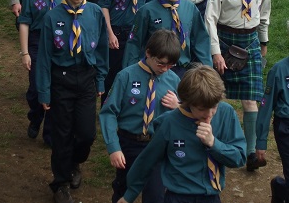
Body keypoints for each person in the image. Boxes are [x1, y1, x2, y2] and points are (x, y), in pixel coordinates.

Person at [116, 64, 246, 203]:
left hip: (211, 197)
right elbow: (148, 160)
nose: (209, 115)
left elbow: (239, 157)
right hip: (178, 196)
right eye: (202, 109)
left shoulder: (226, 113)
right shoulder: (169, 122)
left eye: (214, 107)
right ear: (188, 102)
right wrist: (129, 196)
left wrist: (213, 143)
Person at [36, 0, 109, 203]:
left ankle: (75, 162)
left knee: (87, 134)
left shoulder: (95, 13)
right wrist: (44, 91)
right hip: (62, 80)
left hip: (86, 78)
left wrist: (100, 79)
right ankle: (61, 183)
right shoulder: (52, 17)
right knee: (62, 134)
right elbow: (44, 58)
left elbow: (100, 50)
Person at [205, 0, 271, 171]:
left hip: (250, 42)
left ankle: (250, 152)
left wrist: (263, 44)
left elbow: (264, 16)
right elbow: (210, 19)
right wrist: (215, 52)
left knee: (251, 98)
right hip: (225, 41)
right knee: (216, 96)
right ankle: (214, 143)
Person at [100, 29, 181, 203]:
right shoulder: (126, 76)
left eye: (170, 65)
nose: (165, 69)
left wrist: (178, 106)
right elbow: (108, 112)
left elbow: (185, 116)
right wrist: (113, 147)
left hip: (157, 146)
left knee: (155, 195)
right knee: (123, 189)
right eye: (161, 64)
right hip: (129, 143)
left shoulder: (173, 80)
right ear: (148, 53)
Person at [123, 0, 212, 78]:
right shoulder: (147, 11)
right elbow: (134, 43)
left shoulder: (190, 8)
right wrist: (129, 72)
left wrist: (207, 68)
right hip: (155, 69)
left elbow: (201, 39)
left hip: (182, 69)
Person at [98, 0, 155, 102]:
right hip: (118, 33)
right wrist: (109, 33)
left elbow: (151, 7)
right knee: (113, 73)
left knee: (136, 72)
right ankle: (107, 108)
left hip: (139, 34)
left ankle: (130, 107)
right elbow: (104, 6)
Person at [18, 0, 64, 146]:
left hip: (59, 42)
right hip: (37, 42)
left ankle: (50, 133)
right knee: (37, 89)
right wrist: (25, 52)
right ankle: (36, 117)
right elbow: (24, 23)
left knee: (56, 88)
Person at [256, 56, 289, 203]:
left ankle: (280, 187)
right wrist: (261, 141)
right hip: (286, 130)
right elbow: (266, 106)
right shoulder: (279, 70)